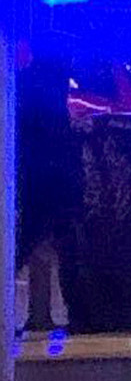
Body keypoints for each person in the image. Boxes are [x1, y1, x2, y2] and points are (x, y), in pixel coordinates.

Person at [12, 41, 80, 335]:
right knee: (50, 247)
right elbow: (59, 142)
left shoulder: (28, 86)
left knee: (33, 246)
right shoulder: (50, 96)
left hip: (33, 180)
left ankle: (38, 315)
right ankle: (52, 315)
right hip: (51, 183)